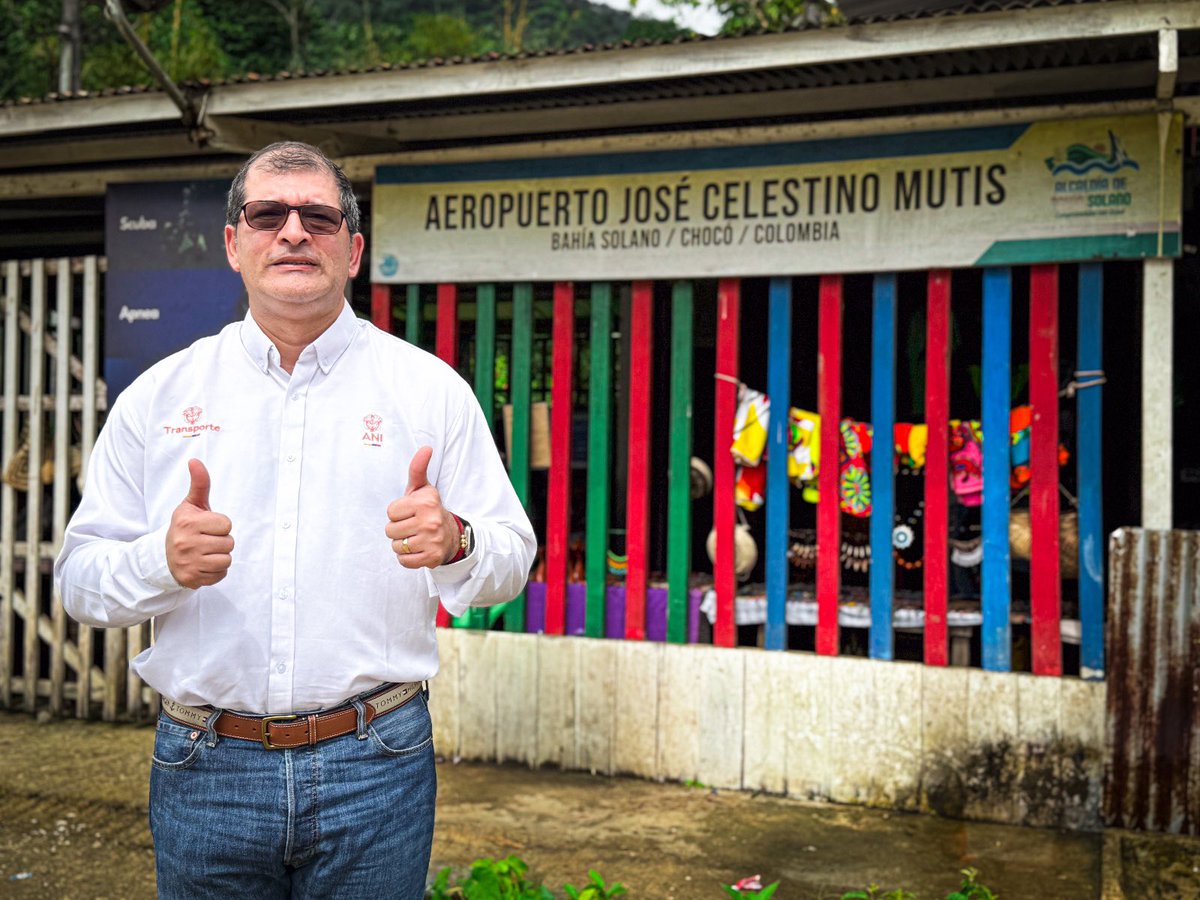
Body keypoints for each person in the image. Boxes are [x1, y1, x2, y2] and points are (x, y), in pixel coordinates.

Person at [55, 141, 536, 899]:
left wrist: (458, 541)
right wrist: (161, 563)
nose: (293, 232)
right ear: (233, 244)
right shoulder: (159, 396)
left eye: (318, 215)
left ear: (353, 248)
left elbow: (513, 554)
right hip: (204, 764)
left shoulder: (428, 391)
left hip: (376, 762)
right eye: (267, 214)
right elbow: (79, 581)